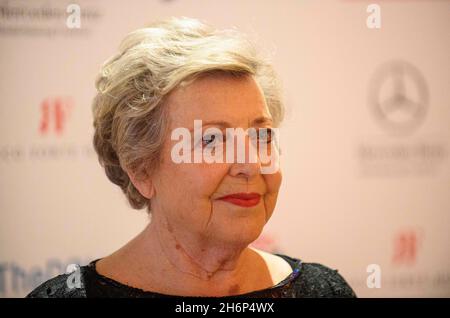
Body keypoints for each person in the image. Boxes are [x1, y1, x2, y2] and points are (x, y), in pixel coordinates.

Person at [27, 17, 356, 298]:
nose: (251, 164)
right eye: (212, 140)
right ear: (141, 168)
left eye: (262, 135)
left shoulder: (324, 290)